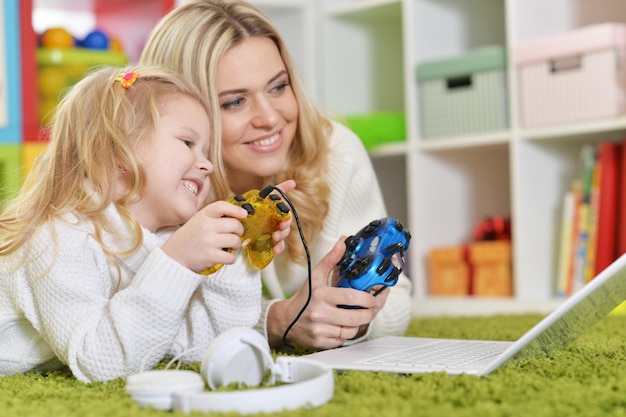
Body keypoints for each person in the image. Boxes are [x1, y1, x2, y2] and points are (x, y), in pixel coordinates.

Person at [140, 0, 413, 351]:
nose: (270, 118)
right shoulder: (158, 185)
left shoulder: (336, 151)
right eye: (235, 102)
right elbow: (151, 321)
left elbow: (399, 300)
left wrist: (351, 319)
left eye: (278, 87)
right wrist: (276, 321)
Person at [0, 64, 298, 383]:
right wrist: (175, 262)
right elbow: (99, 362)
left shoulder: (164, 239)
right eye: (187, 142)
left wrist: (234, 255)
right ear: (115, 150)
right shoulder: (58, 238)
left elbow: (197, 348)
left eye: (207, 150)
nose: (208, 164)